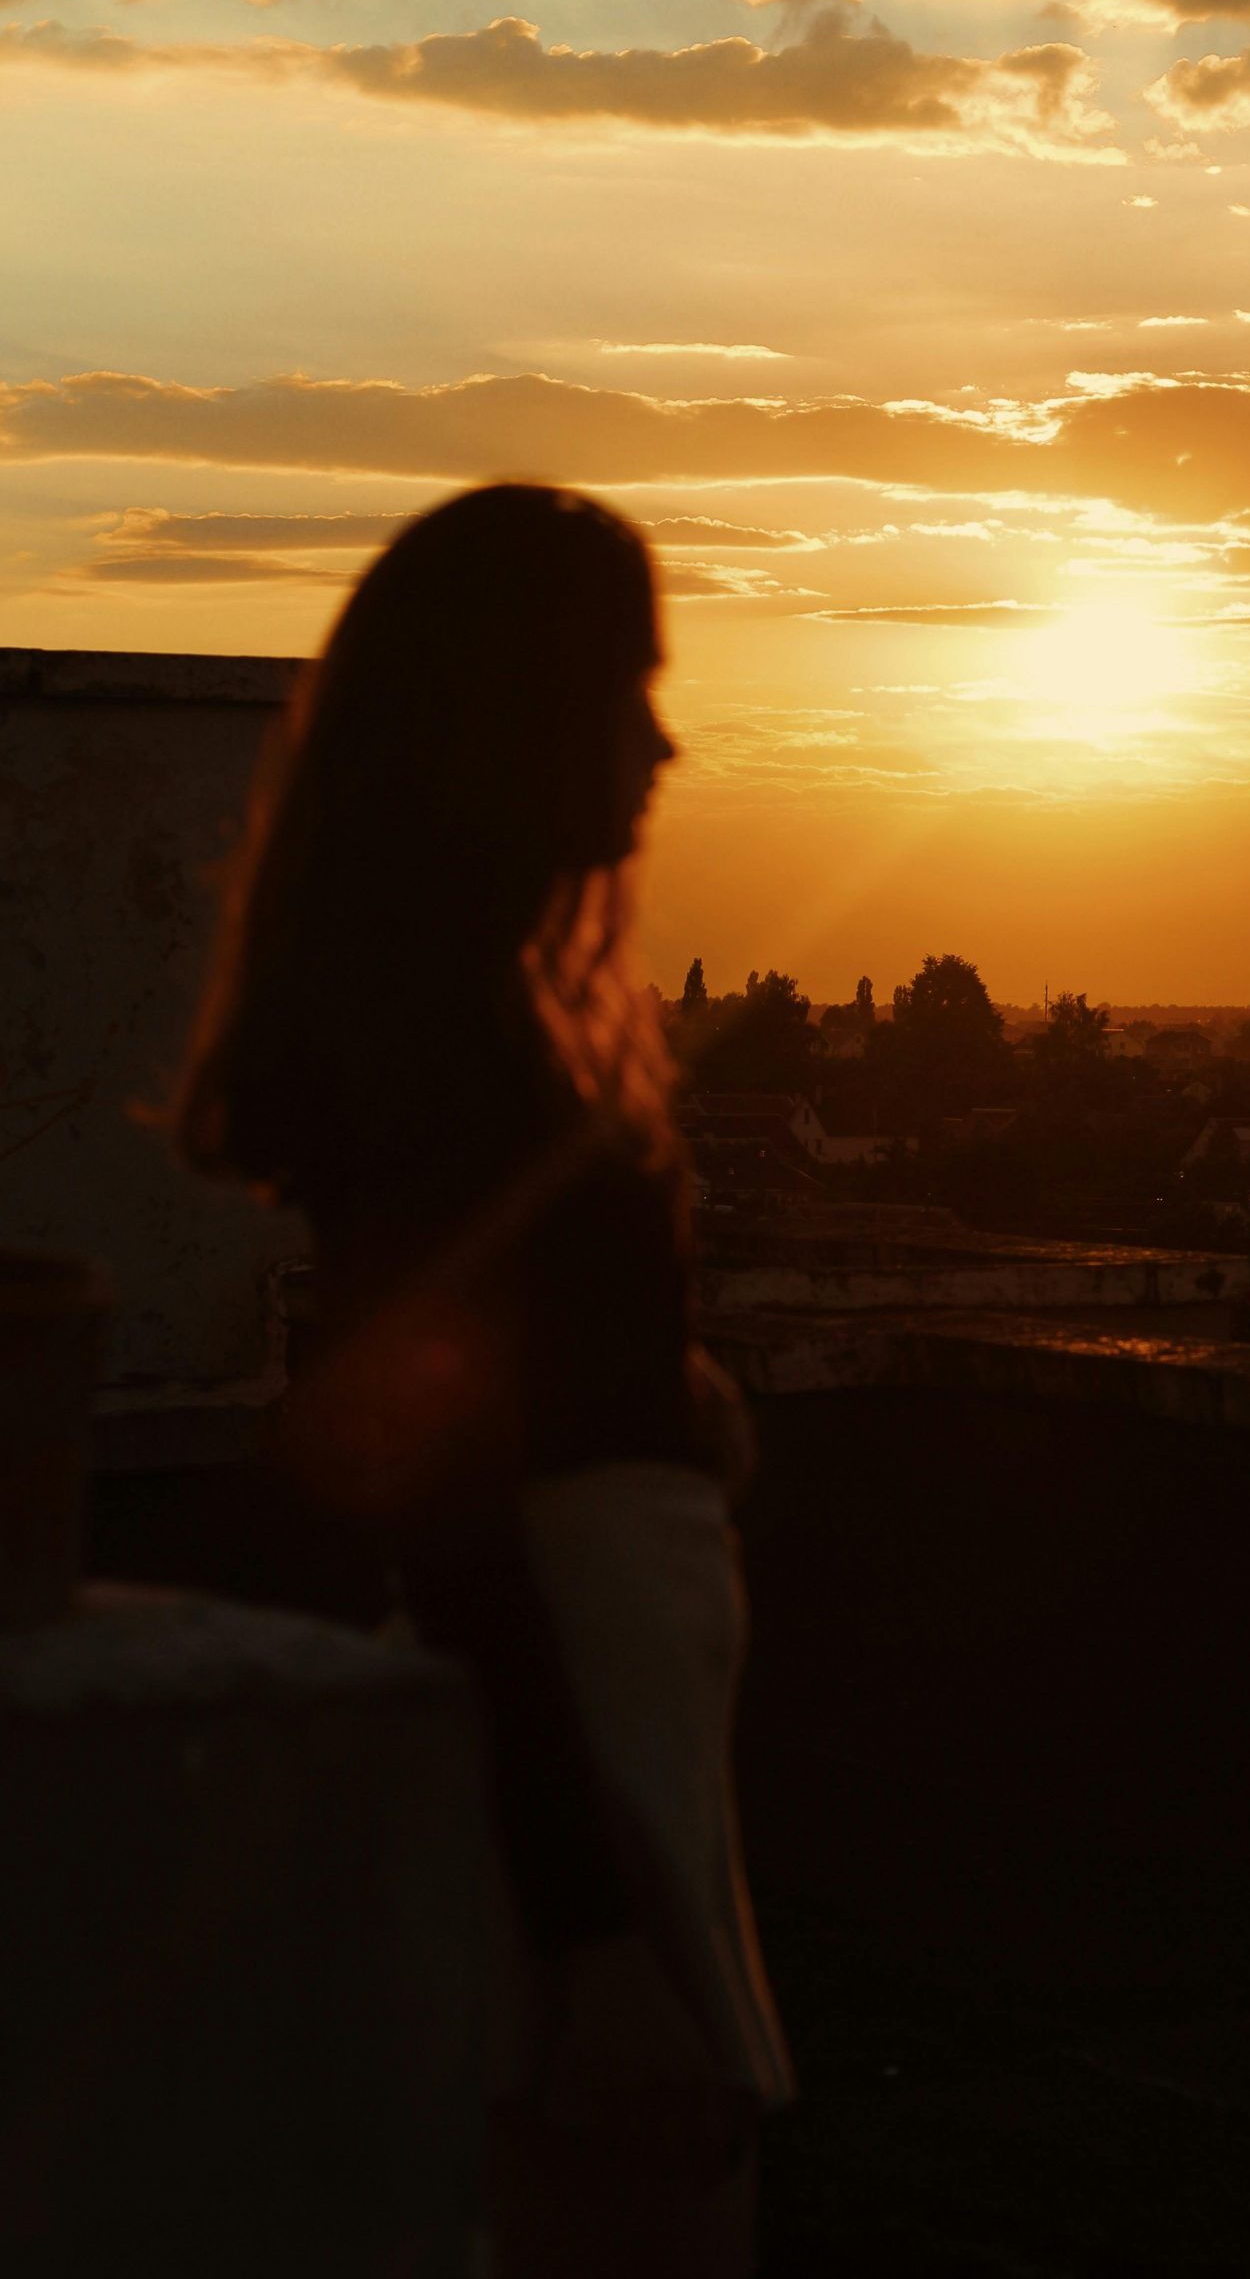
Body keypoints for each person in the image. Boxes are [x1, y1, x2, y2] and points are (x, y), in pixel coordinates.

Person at [174, 484, 791, 2277]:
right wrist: (593, 1944)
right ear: (513, 716)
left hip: (605, 1770)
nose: (665, 744)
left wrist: (662, 1407)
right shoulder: (450, 1055)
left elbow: (516, 1395)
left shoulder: (478, 1032)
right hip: (572, 1798)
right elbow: (455, 1528)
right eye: (629, 690)